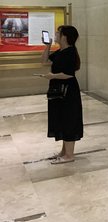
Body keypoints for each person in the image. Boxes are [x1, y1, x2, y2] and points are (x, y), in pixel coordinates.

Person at [39, 25, 83, 164]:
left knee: (69, 119)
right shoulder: (60, 51)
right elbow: (44, 61)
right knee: (62, 119)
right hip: (59, 91)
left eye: (58, 33)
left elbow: (69, 74)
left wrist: (52, 76)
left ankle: (69, 155)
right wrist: (47, 46)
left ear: (65, 36)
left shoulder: (70, 52)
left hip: (68, 91)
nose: (56, 34)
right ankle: (64, 152)